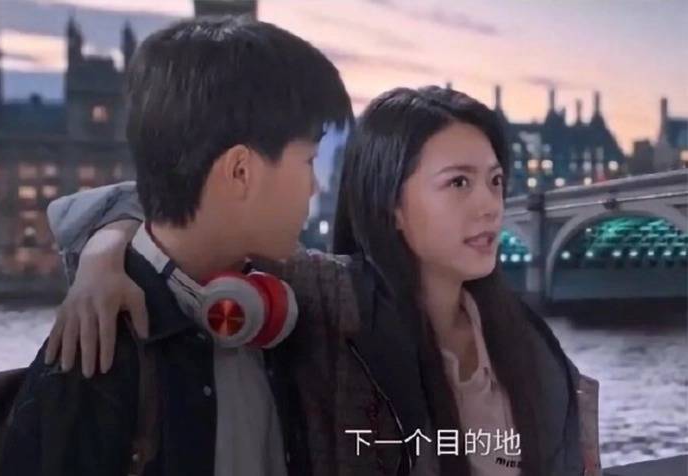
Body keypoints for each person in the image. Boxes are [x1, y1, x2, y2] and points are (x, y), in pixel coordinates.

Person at [44, 86, 602, 475]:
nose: (489, 206)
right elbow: (183, 211)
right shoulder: (328, 300)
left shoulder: (526, 340)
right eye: (458, 183)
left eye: (495, 181)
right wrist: (104, 254)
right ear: (390, 204)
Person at [0, 15, 352, 476]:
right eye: (307, 161)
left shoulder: (276, 313)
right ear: (240, 171)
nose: (315, 188)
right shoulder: (95, 361)